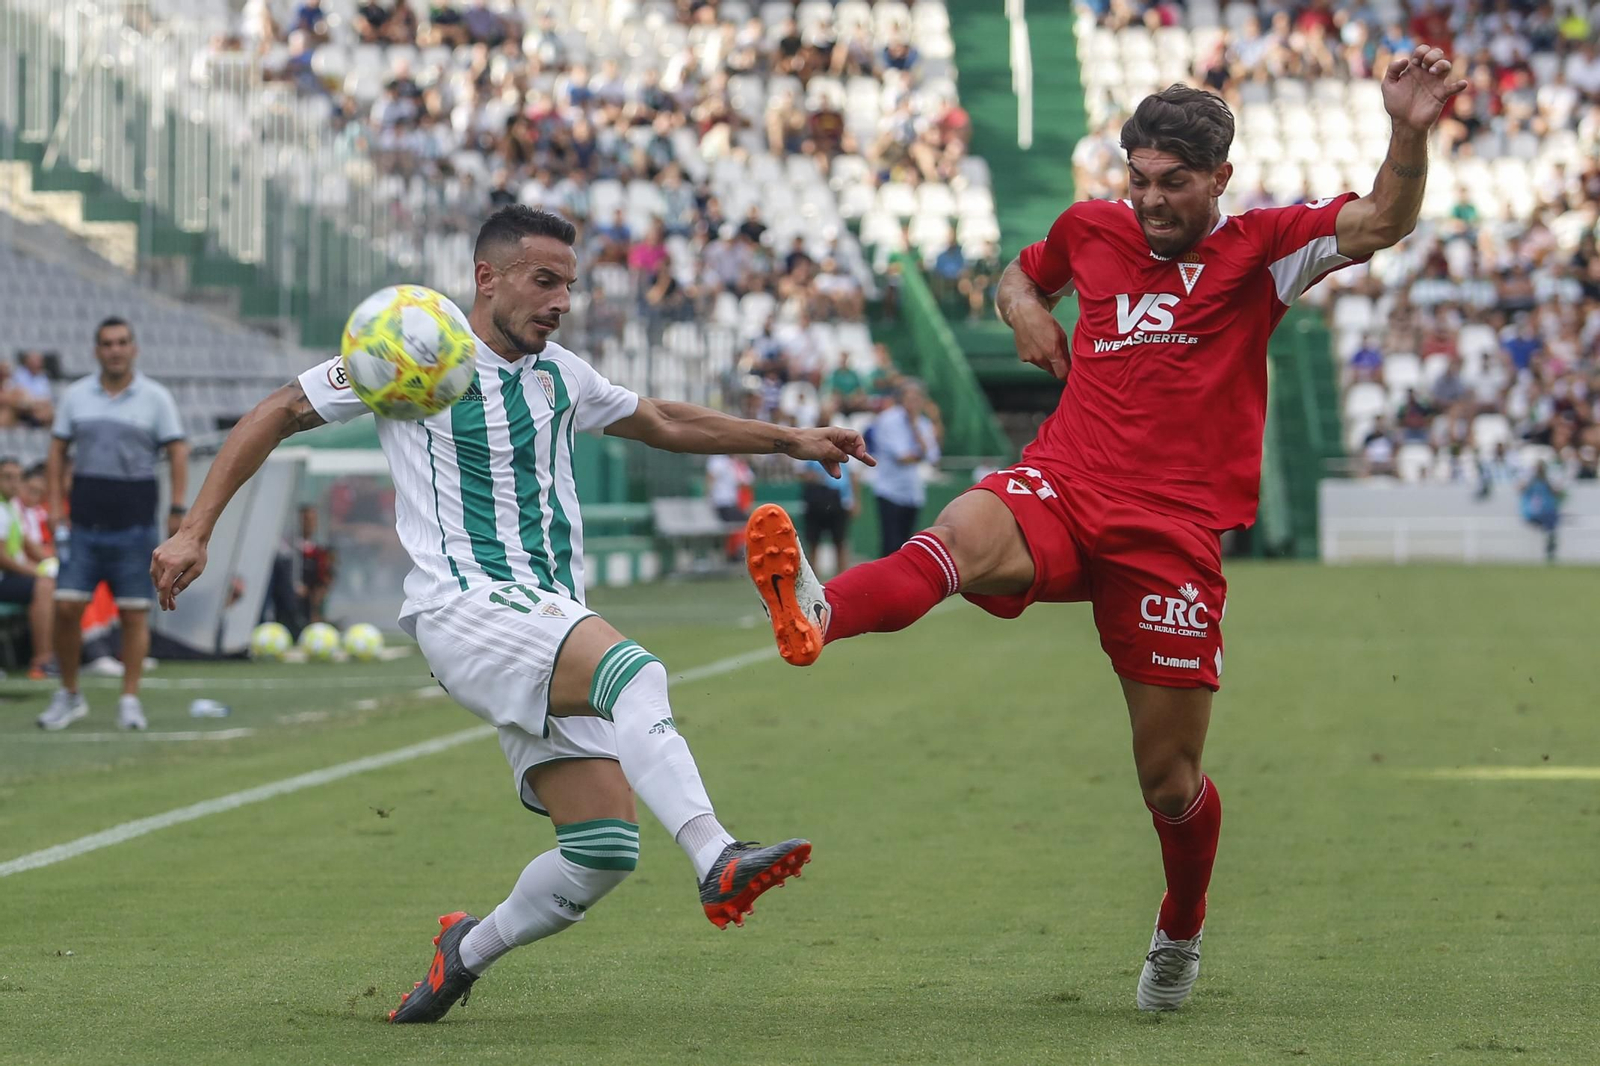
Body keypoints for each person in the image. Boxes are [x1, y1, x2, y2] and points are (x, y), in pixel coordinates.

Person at [743, 55, 1464, 1011]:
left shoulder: (1266, 249)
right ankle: (818, 609)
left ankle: (1181, 927)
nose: (1152, 202)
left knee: (1169, 783)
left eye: (1174, 184)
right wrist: (1026, 309)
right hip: (1065, 477)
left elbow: (1384, 219)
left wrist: (1407, 129)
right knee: (957, 538)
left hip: (1171, 529)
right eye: (1139, 181)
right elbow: (1016, 275)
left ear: (1219, 180)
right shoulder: (1090, 229)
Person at [151, 206, 873, 1023]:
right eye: (544, 281)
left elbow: (665, 421)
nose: (561, 300)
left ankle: (465, 951)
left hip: (544, 616)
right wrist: (193, 528)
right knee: (636, 673)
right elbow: (281, 409)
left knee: (601, 852)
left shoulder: (563, 374)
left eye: (569, 284)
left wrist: (790, 438)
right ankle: (717, 856)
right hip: (465, 605)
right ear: (486, 278)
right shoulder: (414, 354)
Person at [38, 318, 187, 731]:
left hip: (135, 527)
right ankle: (69, 695)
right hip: (84, 526)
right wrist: (55, 506)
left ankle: (129, 699)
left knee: (134, 615)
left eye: (122, 342)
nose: (115, 350)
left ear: (133, 349)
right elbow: (56, 452)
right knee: (66, 608)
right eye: (107, 343)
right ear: (96, 350)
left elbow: (177, 450)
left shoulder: (155, 398)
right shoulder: (76, 397)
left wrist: (178, 507)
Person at [868, 379, 941, 557]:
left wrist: (916, 429)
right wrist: (920, 451)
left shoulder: (922, 423)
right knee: (890, 545)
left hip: (912, 494)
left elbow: (933, 457)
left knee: (906, 547)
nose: (914, 403)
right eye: (911, 398)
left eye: (918, 399)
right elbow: (903, 457)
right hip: (890, 491)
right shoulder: (888, 420)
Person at [0, 458, 57, 680]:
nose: (14, 483)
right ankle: (42, 661)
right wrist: (35, 571)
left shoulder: (12, 506)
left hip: (9, 577)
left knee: (56, 582)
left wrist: (52, 561)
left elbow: (26, 543)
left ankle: (63, 656)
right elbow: (2, 557)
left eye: (18, 478)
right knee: (43, 586)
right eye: (7, 477)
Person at [797, 433, 858, 575]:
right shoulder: (808, 445)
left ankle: (843, 577)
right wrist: (813, 477)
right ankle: (812, 581)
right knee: (813, 542)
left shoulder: (844, 449)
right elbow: (800, 473)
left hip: (838, 500)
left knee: (840, 541)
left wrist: (853, 500)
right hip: (816, 499)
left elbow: (853, 476)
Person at [1520, 460, 1564, 561]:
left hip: (1547, 511)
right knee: (1549, 520)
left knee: (1551, 518)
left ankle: (1550, 541)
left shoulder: (1547, 481)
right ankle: (1550, 539)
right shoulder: (1532, 481)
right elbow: (1521, 488)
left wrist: (1547, 481)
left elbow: (1557, 492)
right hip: (1533, 512)